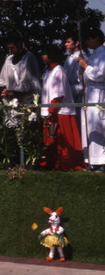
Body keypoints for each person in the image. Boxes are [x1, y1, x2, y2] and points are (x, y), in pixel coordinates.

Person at [40, 45, 84, 171]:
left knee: (62, 139)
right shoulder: (48, 71)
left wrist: (51, 110)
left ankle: (65, 162)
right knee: (52, 139)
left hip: (60, 111)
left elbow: (59, 94)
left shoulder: (58, 70)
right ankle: (52, 161)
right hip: (52, 110)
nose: (42, 57)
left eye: (45, 54)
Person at [77, 27, 105, 171]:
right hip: (89, 93)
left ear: (97, 38)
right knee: (89, 126)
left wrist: (86, 67)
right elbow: (85, 76)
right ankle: (93, 160)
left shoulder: (103, 54)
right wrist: (81, 69)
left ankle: (102, 161)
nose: (87, 41)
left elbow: (101, 74)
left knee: (99, 126)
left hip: (99, 93)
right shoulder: (94, 55)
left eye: (90, 38)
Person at [0, 35, 41, 105]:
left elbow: (30, 85)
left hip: (25, 102)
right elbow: (3, 79)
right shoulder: (9, 59)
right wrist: (4, 90)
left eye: (12, 48)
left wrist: (13, 92)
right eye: (8, 48)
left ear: (19, 44)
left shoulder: (29, 58)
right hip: (11, 102)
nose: (10, 51)